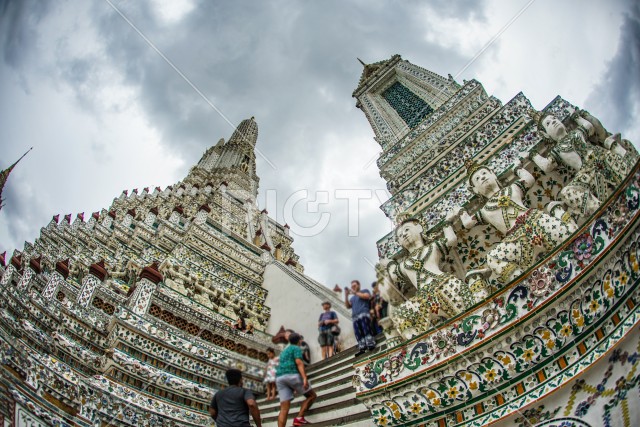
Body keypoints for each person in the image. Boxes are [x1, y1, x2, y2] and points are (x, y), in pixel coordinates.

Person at [451, 160, 576, 285]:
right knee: (492, 257)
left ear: (493, 174)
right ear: (476, 190)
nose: (482, 177)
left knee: (568, 235)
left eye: (484, 173)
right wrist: (461, 211)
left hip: (536, 221)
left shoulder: (512, 188)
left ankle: (563, 220)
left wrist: (517, 168)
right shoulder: (484, 211)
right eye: (477, 179)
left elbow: (529, 179)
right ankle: (523, 282)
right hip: (516, 240)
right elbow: (467, 223)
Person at [528, 109, 631, 216]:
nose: (553, 122)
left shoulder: (576, 132)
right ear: (545, 134)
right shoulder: (557, 150)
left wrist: (577, 117)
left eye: (554, 118)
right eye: (548, 123)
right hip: (586, 173)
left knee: (613, 149)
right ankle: (602, 211)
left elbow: (589, 127)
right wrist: (534, 155)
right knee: (566, 192)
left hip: (602, 157)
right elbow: (547, 166)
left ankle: (632, 175)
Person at [276, 332, 317, 427]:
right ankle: (299, 418)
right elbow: (299, 362)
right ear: (299, 341)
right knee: (312, 396)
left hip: (280, 378)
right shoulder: (296, 348)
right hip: (292, 375)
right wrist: (304, 378)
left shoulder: (284, 351)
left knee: (284, 408)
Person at [344, 280, 376, 357]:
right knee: (358, 333)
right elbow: (348, 306)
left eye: (354, 286)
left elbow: (367, 296)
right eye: (352, 286)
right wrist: (346, 295)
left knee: (366, 329)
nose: (353, 287)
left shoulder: (364, 290)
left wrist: (355, 292)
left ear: (358, 285)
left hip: (364, 313)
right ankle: (362, 347)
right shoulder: (352, 298)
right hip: (355, 316)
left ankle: (370, 344)